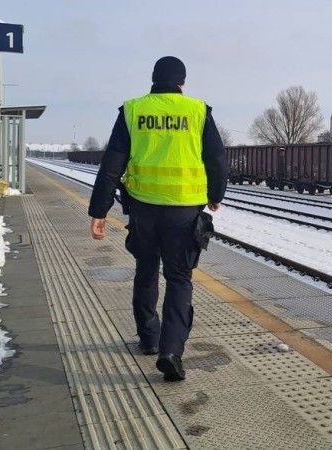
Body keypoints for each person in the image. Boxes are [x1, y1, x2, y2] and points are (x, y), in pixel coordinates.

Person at [88, 56, 227, 381]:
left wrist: (99, 211)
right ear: (182, 82)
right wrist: (216, 194)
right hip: (184, 212)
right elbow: (217, 159)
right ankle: (171, 351)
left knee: (146, 270)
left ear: (153, 79)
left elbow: (112, 164)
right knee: (179, 278)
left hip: (143, 210)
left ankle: (149, 338)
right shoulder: (197, 111)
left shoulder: (133, 110)